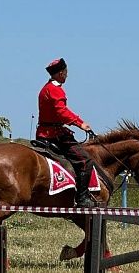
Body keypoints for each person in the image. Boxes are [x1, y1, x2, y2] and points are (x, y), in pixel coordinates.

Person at [36, 58, 96, 208]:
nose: (67, 75)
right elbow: (62, 112)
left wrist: (78, 121)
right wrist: (80, 124)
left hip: (44, 132)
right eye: (66, 72)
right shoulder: (55, 90)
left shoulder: (45, 88)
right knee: (85, 160)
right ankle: (82, 198)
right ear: (61, 73)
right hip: (54, 134)